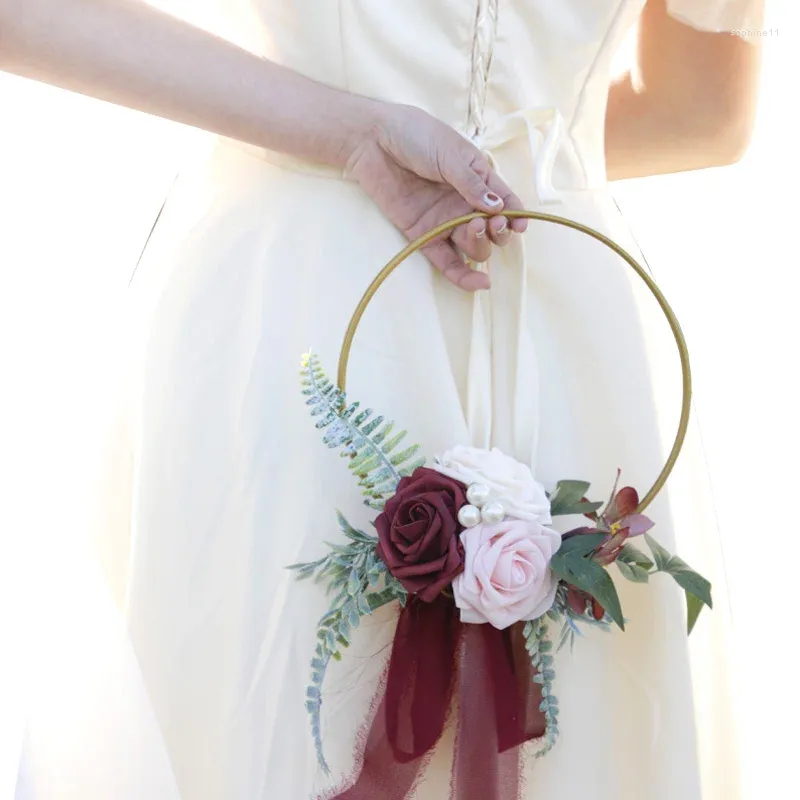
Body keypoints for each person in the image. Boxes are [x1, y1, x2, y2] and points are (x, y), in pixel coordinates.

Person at [2, 1, 763, 798]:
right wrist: (529, 161)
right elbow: (701, 113)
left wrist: (348, 133)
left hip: (291, 296)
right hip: (563, 309)